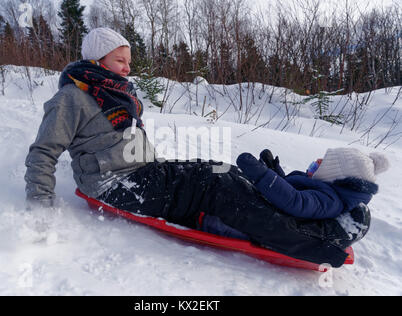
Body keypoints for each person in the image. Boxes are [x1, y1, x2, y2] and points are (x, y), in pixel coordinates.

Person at [24, 28, 374, 267]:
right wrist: (40, 207)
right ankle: (313, 239)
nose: (128, 68)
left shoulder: (115, 92)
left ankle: (297, 210)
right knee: (211, 187)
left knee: (219, 170)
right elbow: (43, 152)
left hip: (143, 170)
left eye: (128, 61)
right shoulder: (71, 98)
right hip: (113, 184)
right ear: (98, 60)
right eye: (120, 61)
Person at [236, 147, 389, 219]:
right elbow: (291, 188)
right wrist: (273, 170)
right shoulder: (321, 185)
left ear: (334, 174)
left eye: (325, 162)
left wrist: (264, 175)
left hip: (261, 219)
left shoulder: (330, 201)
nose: (318, 161)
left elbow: (296, 201)